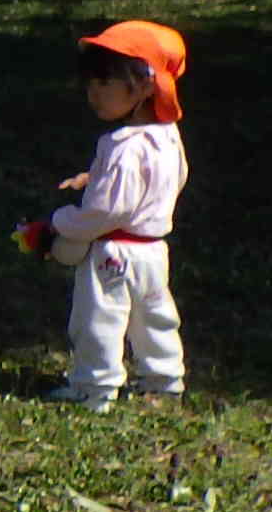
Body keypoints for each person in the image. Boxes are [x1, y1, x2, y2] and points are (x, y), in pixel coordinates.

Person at [16, 21, 188, 413]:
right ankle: (163, 381)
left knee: (99, 320)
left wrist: (59, 224)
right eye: (91, 83)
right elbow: (167, 179)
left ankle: (94, 387)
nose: (93, 93)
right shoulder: (167, 136)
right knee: (155, 317)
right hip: (153, 250)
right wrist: (96, 178)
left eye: (105, 83)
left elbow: (107, 211)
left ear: (145, 85)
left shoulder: (122, 145)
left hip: (114, 253)